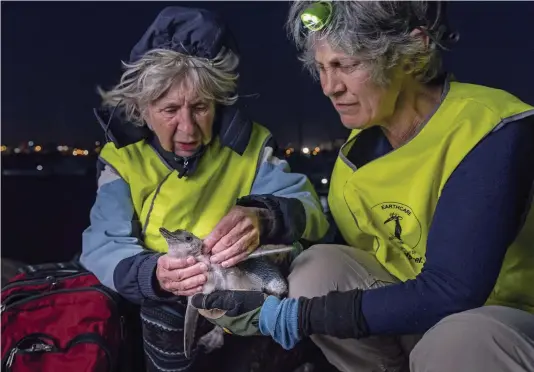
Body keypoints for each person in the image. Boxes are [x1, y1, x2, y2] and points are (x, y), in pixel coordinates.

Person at [191, 1, 534, 371]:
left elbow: (453, 290)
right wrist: (265, 220)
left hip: (501, 323)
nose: (328, 87)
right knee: (316, 269)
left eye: (346, 65)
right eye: (321, 68)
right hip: (414, 316)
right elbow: (338, 251)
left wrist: (289, 317)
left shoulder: (490, 129)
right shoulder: (355, 155)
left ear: (412, 52)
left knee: (461, 339)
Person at [80, 6, 329, 372]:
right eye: (169, 110)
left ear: (219, 102)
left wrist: (266, 215)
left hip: (243, 289)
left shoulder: (254, 146)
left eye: (199, 107)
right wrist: (153, 274)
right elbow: (103, 244)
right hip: (163, 298)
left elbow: (312, 212)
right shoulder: (122, 159)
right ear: (141, 109)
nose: (187, 128)